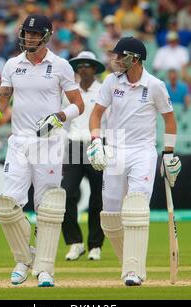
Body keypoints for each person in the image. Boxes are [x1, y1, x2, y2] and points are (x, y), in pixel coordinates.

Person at [0, 14, 84, 287]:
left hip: (49, 142)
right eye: (27, 33)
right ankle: (25, 258)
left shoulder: (60, 66)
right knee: (7, 206)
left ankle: (45, 268)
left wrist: (59, 116)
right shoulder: (12, 64)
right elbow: (2, 103)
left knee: (46, 208)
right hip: (19, 141)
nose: (30, 38)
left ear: (46, 36)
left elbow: (78, 104)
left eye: (35, 34)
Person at [87, 37, 181, 286]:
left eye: (120, 56)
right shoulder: (111, 81)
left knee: (137, 208)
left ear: (135, 59)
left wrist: (169, 152)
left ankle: (134, 271)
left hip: (142, 152)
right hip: (115, 150)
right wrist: (96, 140)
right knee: (109, 216)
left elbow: (169, 120)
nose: (115, 60)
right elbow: (96, 114)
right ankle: (129, 263)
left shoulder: (155, 85)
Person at [61, 51, 106, 261]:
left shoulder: (104, 90)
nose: (82, 69)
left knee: (98, 198)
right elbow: (64, 120)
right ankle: (75, 243)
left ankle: (95, 245)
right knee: (66, 195)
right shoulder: (69, 92)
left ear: (95, 69)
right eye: (79, 66)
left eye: (87, 65)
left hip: (96, 144)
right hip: (74, 145)